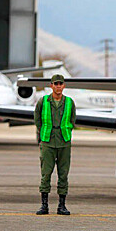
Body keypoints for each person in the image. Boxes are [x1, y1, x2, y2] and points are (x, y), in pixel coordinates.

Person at [34, 74, 76, 215]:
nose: (58, 86)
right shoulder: (43, 101)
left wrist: (67, 130)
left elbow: (73, 120)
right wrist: (43, 132)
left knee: (63, 174)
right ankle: (44, 205)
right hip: (48, 141)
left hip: (64, 141)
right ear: (51, 85)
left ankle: (61, 205)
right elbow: (37, 119)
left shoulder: (70, 102)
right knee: (46, 173)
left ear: (64, 86)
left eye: (60, 84)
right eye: (55, 84)